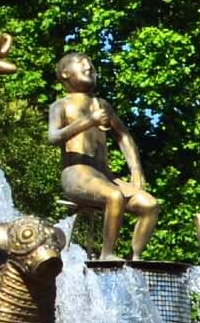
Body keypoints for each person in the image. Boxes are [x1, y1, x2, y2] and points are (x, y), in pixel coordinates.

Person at [47, 52, 160, 260]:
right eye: (81, 63)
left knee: (149, 205)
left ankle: (135, 258)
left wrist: (135, 169)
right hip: (77, 174)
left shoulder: (101, 105)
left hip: (104, 175)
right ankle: (107, 254)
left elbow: (124, 136)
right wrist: (88, 121)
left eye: (90, 63)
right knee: (114, 196)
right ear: (65, 74)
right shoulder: (60, 105)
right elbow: (53, 137)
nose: (88, 66)